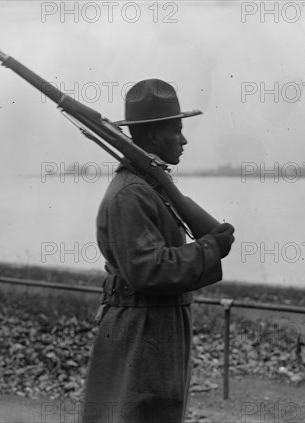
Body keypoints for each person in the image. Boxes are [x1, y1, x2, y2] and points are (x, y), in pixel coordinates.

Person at [81, 79, 235, 423]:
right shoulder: (130, 194)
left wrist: (209, 244)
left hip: (157, 324)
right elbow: (148, 269)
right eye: (176, 130)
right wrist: (210, 248)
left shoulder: (148, 186)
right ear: (152, 138)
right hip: (141, 328)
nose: (183, 139)